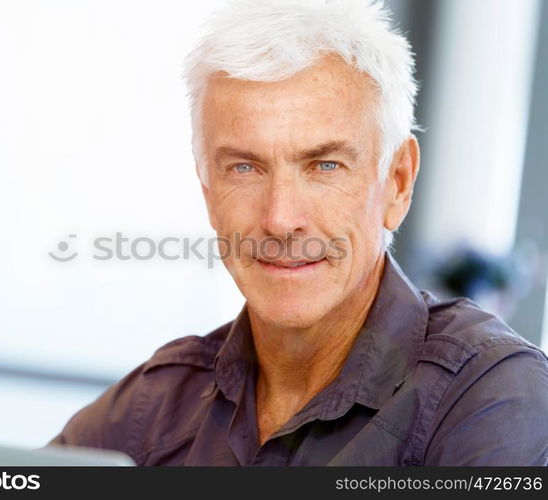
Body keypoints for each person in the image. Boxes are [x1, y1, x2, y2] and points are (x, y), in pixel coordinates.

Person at [49, 0, 548, 465]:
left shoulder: (492, 398)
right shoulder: (155, 406)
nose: (281, 218)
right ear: (207, 190)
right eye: (244, 168)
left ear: (397, 184)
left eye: (324, 165)